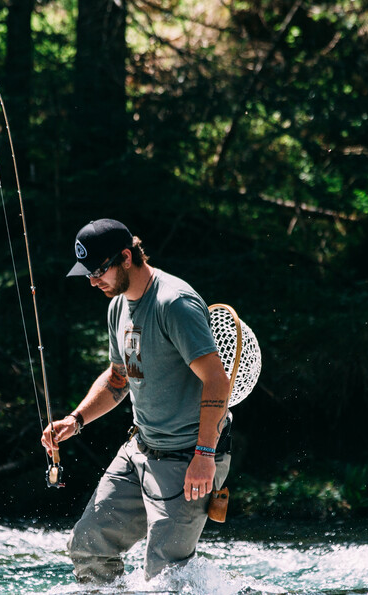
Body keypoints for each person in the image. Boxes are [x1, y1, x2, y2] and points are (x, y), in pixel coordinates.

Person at [41, 218, 233, 583]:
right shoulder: (117, 307)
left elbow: (217, 381)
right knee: (88, 544)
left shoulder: (173, 303)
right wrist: (76, 419)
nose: (93, 282)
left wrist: (204, 455)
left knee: (164, 578)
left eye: (98, 271)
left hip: (189, 458)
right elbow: (118, 378)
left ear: (126, 257)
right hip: (140, 450)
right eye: (87, 274)